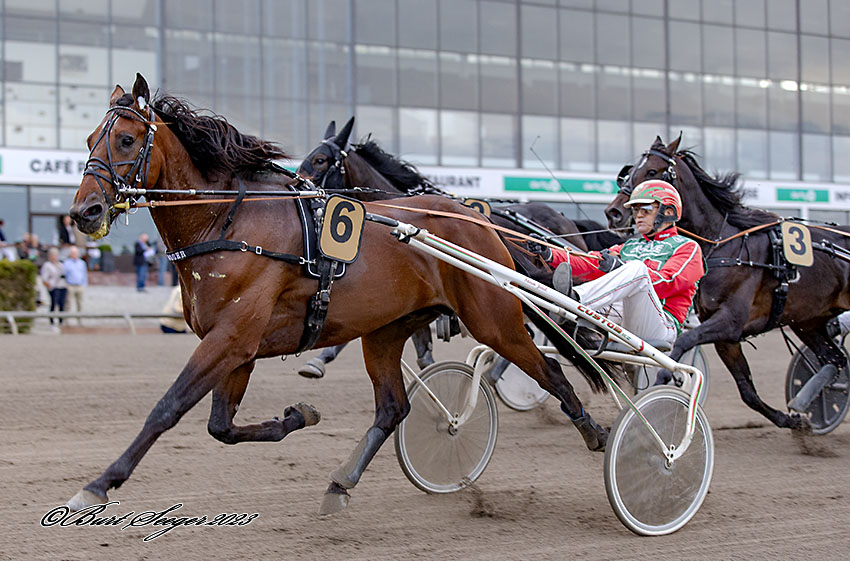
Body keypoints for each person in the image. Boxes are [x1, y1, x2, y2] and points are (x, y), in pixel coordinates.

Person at [530, 179, 704, 350]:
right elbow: (591, 263)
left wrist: (619, 268)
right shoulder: (629, 246)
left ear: (668, 212)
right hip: (623, 317)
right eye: (636, 210)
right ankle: (556, 302)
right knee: (622, 271)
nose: (638, 216)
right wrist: (550, 253)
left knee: (637, 269)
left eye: (646, 209)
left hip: (661, 326)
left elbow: (668, 283)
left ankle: (574, 301)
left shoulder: (687, 247)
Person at [41, 247, 68, 327]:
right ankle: (52, 321)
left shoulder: (61, 264)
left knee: (62, 305)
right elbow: (44, 278)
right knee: (53, 304)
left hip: (62, 286)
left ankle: (61, 321)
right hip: (53, 287)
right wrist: (49, 286)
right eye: (53, 255)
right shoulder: (47, 265)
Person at [63, 246, 88, 322]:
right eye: (73, 253)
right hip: (70, 285)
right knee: (68, 304)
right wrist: (66, 284)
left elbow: (84, 274)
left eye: (75, 253)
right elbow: (64, 274)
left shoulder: (82, 263)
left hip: (80, 285)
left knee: (80, 304)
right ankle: (66, 321)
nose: (74, 254)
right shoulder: (66, 263)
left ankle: (79, 320)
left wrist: (84, 284)